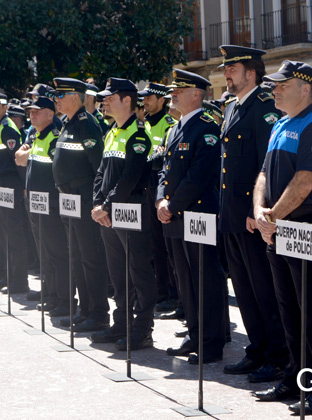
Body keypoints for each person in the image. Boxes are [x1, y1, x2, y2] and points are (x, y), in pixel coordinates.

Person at [250, 60, 312, 415]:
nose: (275, 89)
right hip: (277, 228)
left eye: (282, 85)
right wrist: (260, 212)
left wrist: (271, 216)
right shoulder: (281, 123)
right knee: (288, 308)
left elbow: (305, 182)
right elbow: (262, 176)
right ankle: (296, 377)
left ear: (306, 88)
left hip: (306, 227)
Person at [217, 45, 287, 383]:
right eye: (227, 68)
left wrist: (251, 209)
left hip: (250, 218)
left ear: (252, 73)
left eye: (234, 68)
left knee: (264, 289)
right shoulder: (232, 108)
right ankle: (257, 349)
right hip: (231, 216)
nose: (227, 73)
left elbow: (265, 166)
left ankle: (276, 356)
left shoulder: (263, 108)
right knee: (243, 289)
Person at [158, 69, 226, 364]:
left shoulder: (206, 128)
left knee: (205, 279)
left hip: (197, 215)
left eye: (179, 90)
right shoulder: (175, 129)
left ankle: (211, 341)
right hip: (174, 217)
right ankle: (195, 333)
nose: (173, 94)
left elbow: (198, 177)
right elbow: (165, 170)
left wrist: (171, 205)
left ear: (196, 94)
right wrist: (161, 198)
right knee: (184, 279)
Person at [91, 77, 156, 351]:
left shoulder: (138, 134)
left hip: (131, 210)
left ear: (126, 100)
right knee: (118, 273)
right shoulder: (112, 131)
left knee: (138, 272)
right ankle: (121, 324)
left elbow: (130, 178)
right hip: (108, 213)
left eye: (110, 97)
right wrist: (97, 203)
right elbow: (101, 173)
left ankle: (142, 329)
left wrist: (106, 206)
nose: (104, 101)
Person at [51, 77, 110, 332]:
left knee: (90, 257)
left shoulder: (87, 124)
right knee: (76, 256)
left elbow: (98, 165)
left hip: (84, 196)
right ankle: (84, 310)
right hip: (68, 199)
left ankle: (97, 313)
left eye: (61, 96)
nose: (57, 100)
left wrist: (97, 200)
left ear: (75, 97)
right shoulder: (68, 124)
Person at [18, 95, 70, 315]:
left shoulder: (54, 136)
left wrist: (24, 154)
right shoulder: (37, 135)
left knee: (56, 253)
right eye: (30, 112)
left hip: (50, 204)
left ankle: (64, 299)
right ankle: (50, 294)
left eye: (37, 111)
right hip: (35, 203)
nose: (32, 115)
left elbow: (25, 157)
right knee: (44, 253)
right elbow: (18, 158)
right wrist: (25, 154)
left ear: (50, 114)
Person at [138, 82, 178, 313]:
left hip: (160, 189)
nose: (145, 101)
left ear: (161, 100)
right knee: (153, 244)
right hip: (146, 188)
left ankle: (172, 293)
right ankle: (160, 290)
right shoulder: (142, 123)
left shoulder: (168, 124)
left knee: (165, 244)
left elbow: (161, 157)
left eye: (149, 98)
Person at [0, 91, 31, 294]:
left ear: (5, 107)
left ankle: (19, 282)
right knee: (4, 234)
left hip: (10, 184)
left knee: (13, 234)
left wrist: (23, 186)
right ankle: (9, 277)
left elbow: (19, 162)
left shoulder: (8, 129)